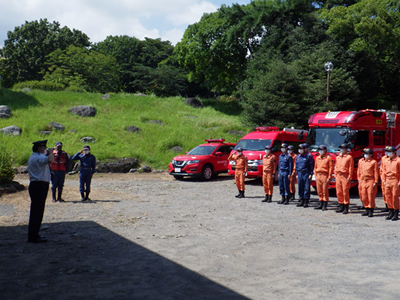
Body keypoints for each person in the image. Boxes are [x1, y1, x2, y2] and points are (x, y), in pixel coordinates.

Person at [27, 140, 54, 243]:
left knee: (36, 211)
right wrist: (51, 152)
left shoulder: (34, 156)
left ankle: (34, 234)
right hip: (39, 185)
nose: (45, 149)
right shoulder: (39, 157)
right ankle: (33, 236)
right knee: (37, 212)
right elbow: (50, 160)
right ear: (39, 148)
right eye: (43, 147)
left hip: (36, 184)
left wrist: (47, 151)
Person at [357, 148, 379, 217]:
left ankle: (370, 210)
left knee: (370, 196)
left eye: (367, 153)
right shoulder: (361, 161)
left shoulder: (373, 162)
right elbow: (359, 171)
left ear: (371, 155)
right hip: (363, 180)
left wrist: (375, 181)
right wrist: (359, 179)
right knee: (363, 195)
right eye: (364, 153)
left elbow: (376, 172)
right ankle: (366, 208)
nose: (365, 155)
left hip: (370, 180)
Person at [380, 146, 400, 221]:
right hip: (387, 180)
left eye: (389, 151)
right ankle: (390, 211)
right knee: (388, 196)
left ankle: (396, 213)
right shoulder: (386, 160)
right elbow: (383, 172)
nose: (387, 153)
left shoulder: (398, 160)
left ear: (394, 152)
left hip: (395, 179)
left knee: (395, 197)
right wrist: (384, 180)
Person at [334, 144, 354, 214]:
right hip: (338, 175)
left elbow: (351, 168)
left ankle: (346, 206)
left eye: (343, 148)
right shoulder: (338, 157)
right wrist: (335, 174)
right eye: (341, 148)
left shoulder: (349, 157)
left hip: (345, 175)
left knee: (345, 191)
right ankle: (340, 205)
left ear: (346, 149)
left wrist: (349, 177)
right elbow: (336, 166)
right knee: (339, 191)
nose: (342, 149)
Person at [294, 143, 314, 208]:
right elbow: (296, 166)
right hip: (300, 173)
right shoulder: (298, 156)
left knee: (306, 187)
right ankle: (301, 200)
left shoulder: (308, 156)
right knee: (300, 187)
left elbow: (311, 165)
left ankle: (306, 201)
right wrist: (297, 174)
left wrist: (311, 174)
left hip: (306, 173)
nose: (300, 150)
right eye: (299, 149)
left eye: (301, 149)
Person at [314, 145, 333, 211]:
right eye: (319, 149)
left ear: (325, 150)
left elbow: (331, 168)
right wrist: (315, 175)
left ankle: (325, 204)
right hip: (318, 175)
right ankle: (320, 203)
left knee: (325, 190)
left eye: (322, 149)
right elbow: (315, 167)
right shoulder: (317, 158)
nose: (320, 151)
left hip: (325, 175)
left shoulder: (328, 158)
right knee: (319, 190)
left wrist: (329, 177)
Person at [380, 147, 390, 212]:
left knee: (391, 194)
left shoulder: (396, 160)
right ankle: (386, 205)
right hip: (384, 177)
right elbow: (382, 168)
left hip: (390, 178)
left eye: (387, 151)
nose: (386, 152)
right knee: (384, 192)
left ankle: (391, 207)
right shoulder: (383, 158)